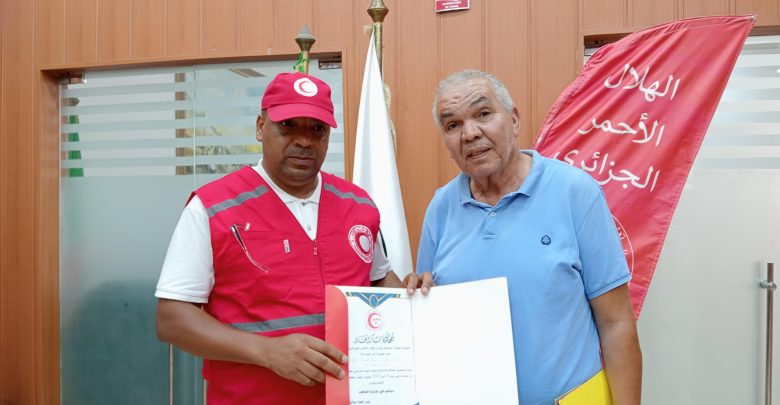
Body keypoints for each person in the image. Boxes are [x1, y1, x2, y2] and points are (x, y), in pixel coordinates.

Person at [155, 72, 409, 404]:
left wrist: (416, 299)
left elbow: (379, 281)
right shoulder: (213, 207)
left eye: (317, 129)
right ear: (261, 127)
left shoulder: (358, 205)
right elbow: (172, 319)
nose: (304, 140)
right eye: (288, 125)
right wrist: (267, 351)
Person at [416, 70, 642, 405]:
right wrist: (415, 295)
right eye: (453, 125)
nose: (470, 133)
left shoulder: (575, 191)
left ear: (514, 120)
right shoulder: (441, 207)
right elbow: (431, 321)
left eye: (483, 114)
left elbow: (616, 323)